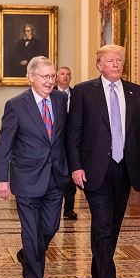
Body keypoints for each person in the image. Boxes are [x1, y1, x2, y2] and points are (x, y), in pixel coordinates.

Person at [66, 44, 140, 278]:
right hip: (95, 169)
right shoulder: (84, 92)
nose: (116, 65)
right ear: (99, 65)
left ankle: (98, 272)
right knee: (102, 223)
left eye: (119, 60)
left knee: (114, 223)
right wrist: (76, 166)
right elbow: (73, 132)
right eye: (110, 61)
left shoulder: (137, 92)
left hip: (126, 166)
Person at [0, 56, 69, 278]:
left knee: (50, 228)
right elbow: (4, 143)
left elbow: (64, 137)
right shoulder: (15, 105)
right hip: (26, 178)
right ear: (31, 78)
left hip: (56, 177)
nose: (50, 81)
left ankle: (27, 255)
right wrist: (2, 179)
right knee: (31, 231)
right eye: (45, 76)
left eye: (52, 76)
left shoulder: (60, 100)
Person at [55, 66, 77, 221]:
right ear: (56, 77)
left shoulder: (77, 94)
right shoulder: (51, 93)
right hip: (55, 141)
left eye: (68, 74)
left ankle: (69, 209)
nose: (65, 76)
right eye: (62, 74)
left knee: (71, 175)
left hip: (72, 142)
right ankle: (53, 208)